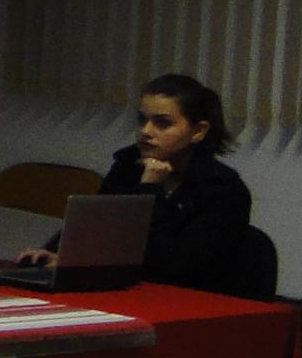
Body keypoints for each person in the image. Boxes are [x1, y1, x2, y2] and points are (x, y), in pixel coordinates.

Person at [16, 73, 252, 289]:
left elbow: (171, 267)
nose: (146, 131)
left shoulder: (223, 190)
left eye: (162, 123)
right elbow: (98, 230)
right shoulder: (128, 167)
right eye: (142, 119)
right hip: (121, 291)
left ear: (198, 131)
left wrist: (150, 188)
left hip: (188, 300)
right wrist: (61, 255)